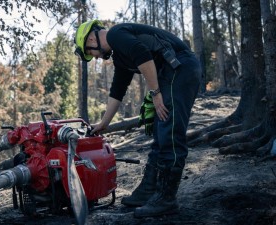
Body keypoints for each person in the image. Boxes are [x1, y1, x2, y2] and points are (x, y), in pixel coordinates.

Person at [74, 20, 201, 218]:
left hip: (180, 67)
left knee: (170, 131)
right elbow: (117, 91)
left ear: (91, 38)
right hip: (170, 72)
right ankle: (148, 191)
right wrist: (104, 123)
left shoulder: (116, 34)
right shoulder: (120, 56)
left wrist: (156, 93)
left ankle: (166, 199)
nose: (96, 57)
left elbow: (143, 55)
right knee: (161, 133)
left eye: (91, 52)